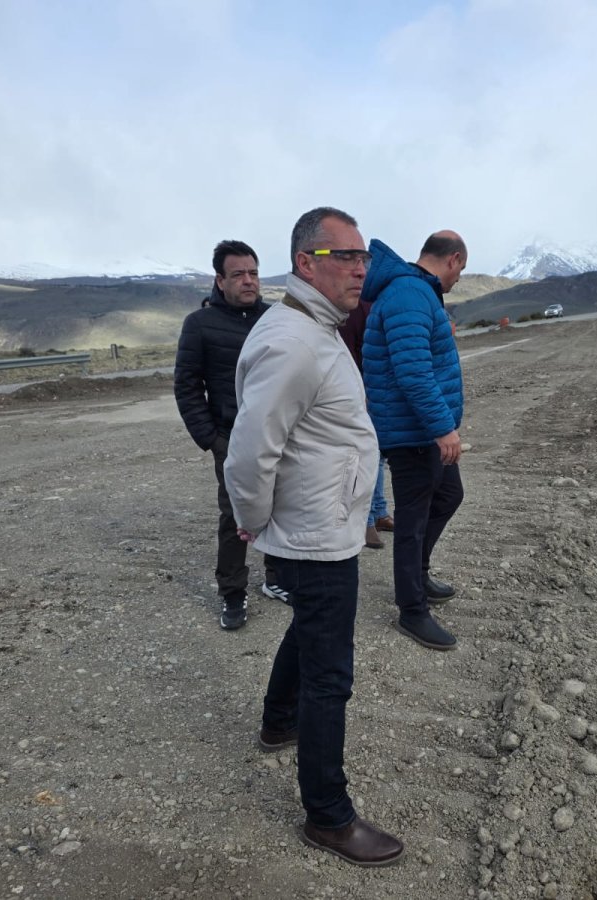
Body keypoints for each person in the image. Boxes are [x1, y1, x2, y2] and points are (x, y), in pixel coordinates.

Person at [225, 207, 404, 867]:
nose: (361, 268)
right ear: (306, 263)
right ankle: (328, 816)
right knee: (331, 676)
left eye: (363, 257)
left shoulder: (314, 328)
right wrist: (252, 520)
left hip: (323, 522)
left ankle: (279, 722)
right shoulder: (295, 341)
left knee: (308, 629)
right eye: (345, 257)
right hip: (315, 532)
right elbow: (250, 450)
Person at [172, 240, 292, 633]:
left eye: (253, 273)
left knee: (280, 506)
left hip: (279, 434)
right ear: (220, 280)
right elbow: (187, 385)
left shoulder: (276, 318)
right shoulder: (199, 324)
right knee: (235, 514)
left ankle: (276, 577)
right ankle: (232, 592)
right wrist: (211, 438)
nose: (248, 281)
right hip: (231, 438)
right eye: (238, 274)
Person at [362, 231, 467, 651]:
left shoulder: (415, 291)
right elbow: (413, 372)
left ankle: (417, 576)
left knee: (449, 495)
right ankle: (411, 609)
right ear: (453, 259)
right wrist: (443, 427)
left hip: (420, 429)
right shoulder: (409, 294)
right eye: (461, 270)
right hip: (413, 433)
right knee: (413, 519)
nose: (458, 278)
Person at [337, 299, 392, 550]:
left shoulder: (375, 301)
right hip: (361, 386)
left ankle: (378, 512)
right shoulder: (355, 304)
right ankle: (366, 520)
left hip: (375, 386)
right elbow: (350, 350)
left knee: (378, 453)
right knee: (367, 453)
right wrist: (360, 388)